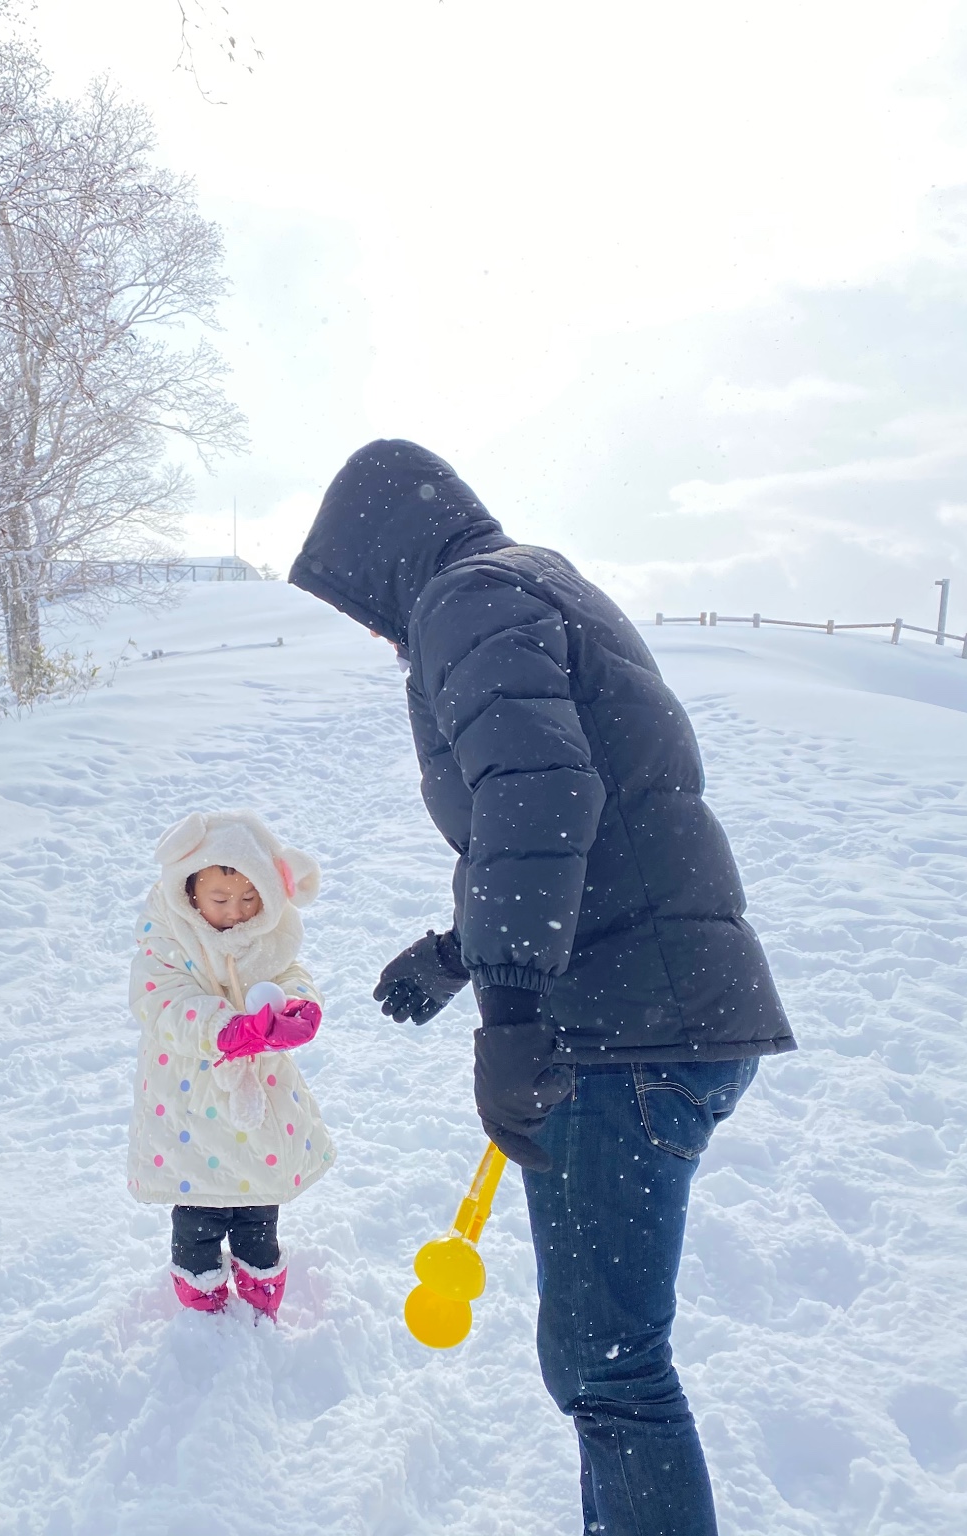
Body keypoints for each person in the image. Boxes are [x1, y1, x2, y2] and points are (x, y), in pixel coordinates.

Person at [289, 440, 795, 1533]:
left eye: (359, 603)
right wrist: (453, 955)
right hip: (669, 1011)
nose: (375, 633)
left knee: (608, 1373)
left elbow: (541, 793)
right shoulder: (533, 580)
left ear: (380, 556)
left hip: (625, 1040)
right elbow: (590, 817)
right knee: (604, 1366)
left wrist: (508, 1009)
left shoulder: (465, 599)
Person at [125, 810, 334, 1321]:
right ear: (190, 890)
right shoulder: (166, 935)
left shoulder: (269, 933)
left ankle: (262, 1293)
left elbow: (288, 971)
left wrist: (298, 1003)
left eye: (250, 899)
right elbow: (161, 1002)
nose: (236, 912)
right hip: (189, 1099)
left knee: (259, 1207)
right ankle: (202, 1303)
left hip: (258, 1099)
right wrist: (227, 1029)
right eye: (220, 899)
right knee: (197, 1210)